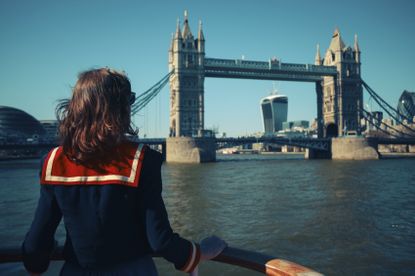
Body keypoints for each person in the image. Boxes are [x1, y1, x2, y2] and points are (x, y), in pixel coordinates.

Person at [22, 68, 227, 275]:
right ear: (119, 110)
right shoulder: (141, 160)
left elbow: (34, 246)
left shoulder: (53, 161)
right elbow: (160, 241)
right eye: (130, 100)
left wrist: (38, 263)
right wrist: (199, 252)